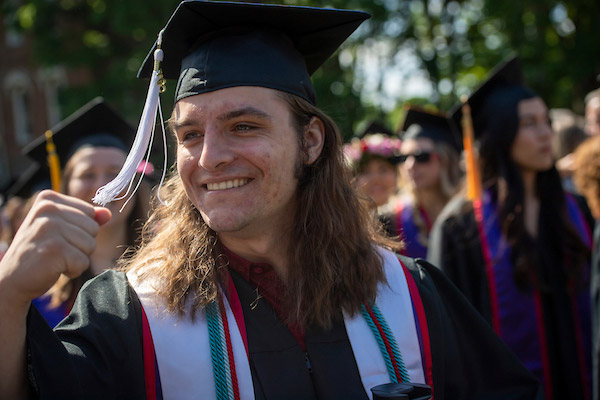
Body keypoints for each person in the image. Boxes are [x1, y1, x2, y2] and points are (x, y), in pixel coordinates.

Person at [0, 2, 541, 399]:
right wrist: (7, 299)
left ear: (310, 142)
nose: (209, 157)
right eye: (189, 135)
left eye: (243, 125)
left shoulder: (408, 293)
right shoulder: (128, 314)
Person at [428, 55, 594, 400]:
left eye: (546, 120)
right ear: (501, 134)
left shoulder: (575, 209)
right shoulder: (461, 228)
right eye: (530, 123)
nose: (546, 133)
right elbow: (455, 344)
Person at [22, 97, 152, 327]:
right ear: (66, 187)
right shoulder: (39, 282)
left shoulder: (163, 266)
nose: (102, 186)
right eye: (87, 175)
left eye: (115, 174)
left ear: (134, 186)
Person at [381, 106, 461, 259]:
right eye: (403, 158)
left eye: (421, 156)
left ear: (446, 159)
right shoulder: (389, 221)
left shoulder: (470, 216)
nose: (410, 165)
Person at [343, 132, 402, 210]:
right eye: (365, 171)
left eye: (383, 169)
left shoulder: (414, 218)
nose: (375, 178)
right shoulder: (344, 220)